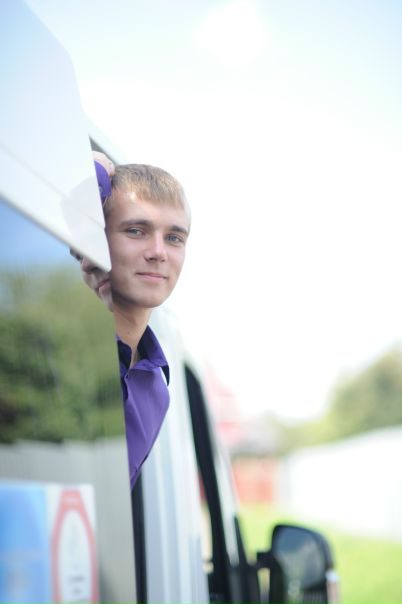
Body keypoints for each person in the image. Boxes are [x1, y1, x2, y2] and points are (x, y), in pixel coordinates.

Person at [72, 152, 190, 487]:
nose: (158, 252)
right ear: (94, 242)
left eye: (174, 238)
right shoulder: (60, 345)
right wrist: (94, 173)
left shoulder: (156, 391)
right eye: (136, 231)